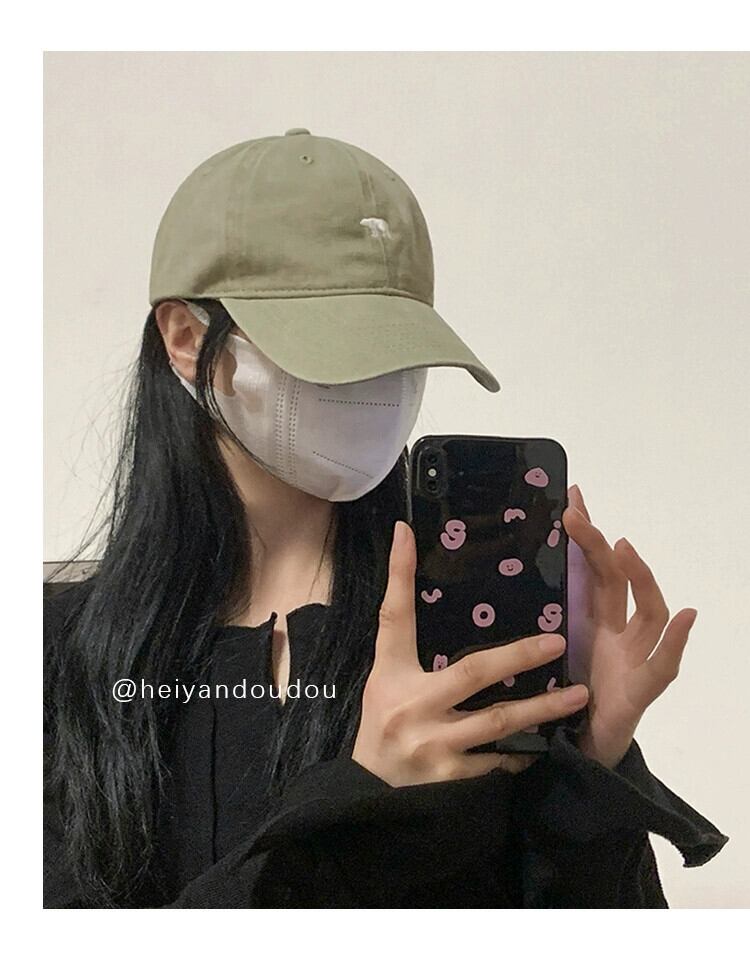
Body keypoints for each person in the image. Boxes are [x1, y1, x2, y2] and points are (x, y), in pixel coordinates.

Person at [44, 128, 728, 908]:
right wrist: (362, 805)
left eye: (394, 349)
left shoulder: (469, 634)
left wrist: (588, 773)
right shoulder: (58, 655)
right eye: (329, 347)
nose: (374, 388)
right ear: (187, 339)